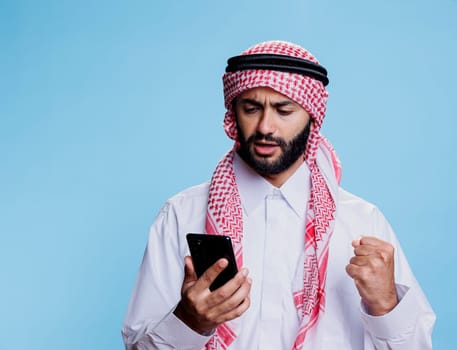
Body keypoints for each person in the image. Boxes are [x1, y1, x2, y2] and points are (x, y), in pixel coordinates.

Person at [122, 40, 436, 350]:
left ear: (312, 118)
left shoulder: (361, 222)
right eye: (252, 108)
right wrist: (190, 322)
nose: (265, 126)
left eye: (284, 110)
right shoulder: (182, 215)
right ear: (234, 114)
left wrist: (386, 305)